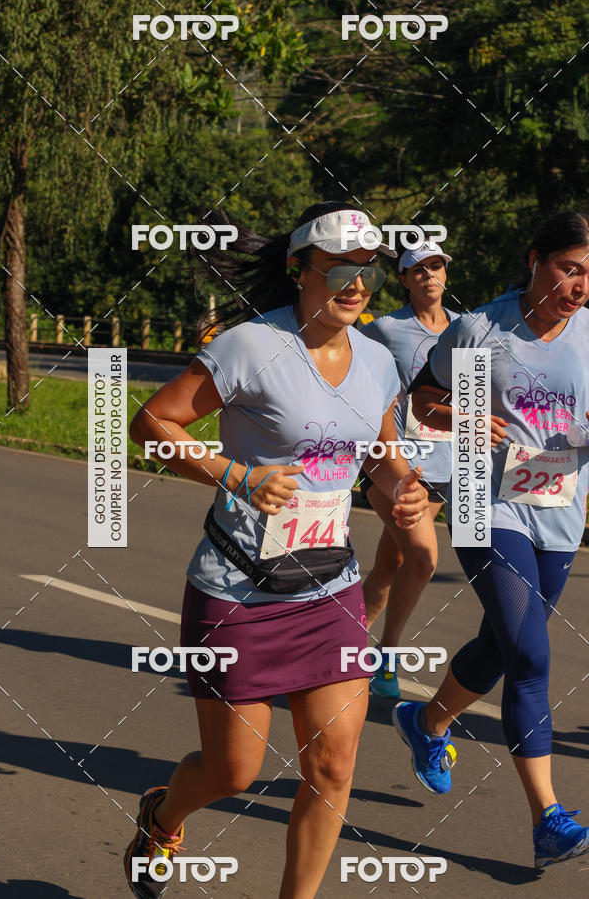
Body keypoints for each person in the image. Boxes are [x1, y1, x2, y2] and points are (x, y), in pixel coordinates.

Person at [124, 200, 429, 899]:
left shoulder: (379, 361)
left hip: (330, 590)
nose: (357, 285)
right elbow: (151, 422)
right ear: (300, 270)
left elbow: (382, 458)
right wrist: (235, 474)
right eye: (340, 270)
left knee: (333, 768)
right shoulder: (249, 347)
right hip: (238, 590)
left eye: (369, 272)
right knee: (234, 772)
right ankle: (162, 815)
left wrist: (405, 486)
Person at [393, 210, 589, 868]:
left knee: (499, 646)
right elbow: (425, 402)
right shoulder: (481, 328)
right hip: (485, 503)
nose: (579, 284)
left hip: (559, 507)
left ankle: (427, 723)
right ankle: (548, 818)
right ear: (536, 260)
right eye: (570, 268)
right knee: (531, 653)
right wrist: (470, 418)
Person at [360, 241, 458, 698]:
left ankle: (332, 643)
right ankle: (386, 659)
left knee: (390, 563)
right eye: (417, 270)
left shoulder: (466, 329)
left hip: (444, 466)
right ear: (403, 279)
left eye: (435, 267)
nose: (428, 276)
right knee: (422, 558)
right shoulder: (384, 329)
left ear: (445, 273)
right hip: (394, 465)